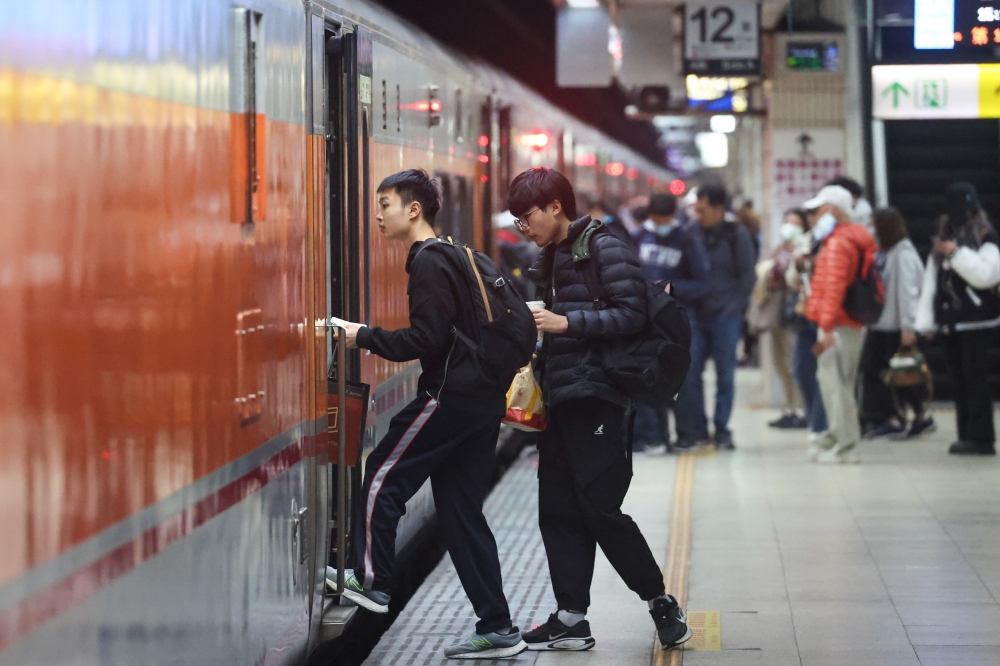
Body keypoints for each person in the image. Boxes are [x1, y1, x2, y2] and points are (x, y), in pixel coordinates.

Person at [335, 169, 527, 659]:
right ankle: (498, 625)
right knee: (462, 514)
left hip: (449, 396)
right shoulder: (454, 253)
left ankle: (372, 583)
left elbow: (425, 340)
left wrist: (361, 335)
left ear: (413, 209)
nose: (378, 215)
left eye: (385, 205)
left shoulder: (427, 262)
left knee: (381, 474)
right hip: (481, 400)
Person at [512, 167, 691, 652]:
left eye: (525, 215)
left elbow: (632, 315)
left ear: (555, 207)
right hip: (562, 398)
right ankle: (572, 617)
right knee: (558, 508)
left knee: (598, 509)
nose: (520, 227)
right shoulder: (552, 257)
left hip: (599, 398)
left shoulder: (605, 249)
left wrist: (565, 322)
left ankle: (659, 601)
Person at [915, 182, 1000, 455]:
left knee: (975, 378)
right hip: (949, 320)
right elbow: (932, 280)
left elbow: (986, 276)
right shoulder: (943, 235)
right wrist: (926, 321)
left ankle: (982, 437)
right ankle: (966, 433)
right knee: (959, 379)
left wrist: (956, 253)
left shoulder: (985, 236)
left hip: (977, 320)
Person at [803, 185, 877, 464]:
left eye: (820, 209)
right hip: (849, 323)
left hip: (836, 325)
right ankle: (838, 435)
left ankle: (846, 447)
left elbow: (833, 286)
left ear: (834, 209)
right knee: (839, 382)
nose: (815, 215)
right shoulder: (853, 238)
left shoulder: (838, 243)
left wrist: (827, 326)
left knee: (836, 386)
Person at [679, 182, 757, 450]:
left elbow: (748, 277)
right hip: (695, 316)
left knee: (726, 374)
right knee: (692, 372)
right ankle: (699, 429)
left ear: (719, 208)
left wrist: (734, 308)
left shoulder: (738, 235)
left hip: (726, 316)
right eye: (695, 210)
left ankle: (722, 428)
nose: (698, 215)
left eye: (703, 210)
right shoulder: (689, 233)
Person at [631, 193, 711, 451]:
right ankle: (654, 436)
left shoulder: (687, 240)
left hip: (679, 319)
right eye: (656, 220)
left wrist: (671, 287)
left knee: (683, 378)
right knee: (647, 377)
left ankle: (687, 434)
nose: (660, 225)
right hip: (645, 320)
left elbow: (702, 283)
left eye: (665, 220)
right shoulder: (637, 239)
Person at [861, 207, 933, 438]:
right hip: (880, 323)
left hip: (895, 326)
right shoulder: (885, 252)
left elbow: (907, 293)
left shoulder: (903, 254)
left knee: (901, 374)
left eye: (874, 225)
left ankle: (914, 416)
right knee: (877, 372)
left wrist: (907, 327)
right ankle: (895, 416)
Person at [785, 210, 829, 442]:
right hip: (806, 314)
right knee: (802, 368)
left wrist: (817, 262)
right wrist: (799, 264)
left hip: (828, 314)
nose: (814, 219)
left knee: (826, 370)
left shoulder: (836, 241)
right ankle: (815, 419)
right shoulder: (804, 241)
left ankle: (821, 425)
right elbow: (791, 280)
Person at [763, 209, 808, 429]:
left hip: (794, 309)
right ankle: (789, 407)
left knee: (793, 360)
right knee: (780, 361)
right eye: (786, 222)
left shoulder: (804, 248)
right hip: (777, 309)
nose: (789, 227)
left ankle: (800, 408)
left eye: (795, 223)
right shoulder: (780, 248)